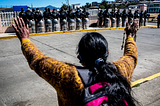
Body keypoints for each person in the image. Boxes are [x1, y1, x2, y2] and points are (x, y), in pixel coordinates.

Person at [12, 16, 138, 106]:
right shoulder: (121, 70)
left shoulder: (68, 76)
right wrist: (130, 37)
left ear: (80, 58)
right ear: (107, 54)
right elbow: (131, 56)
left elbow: (38, 60)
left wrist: (25, 39)